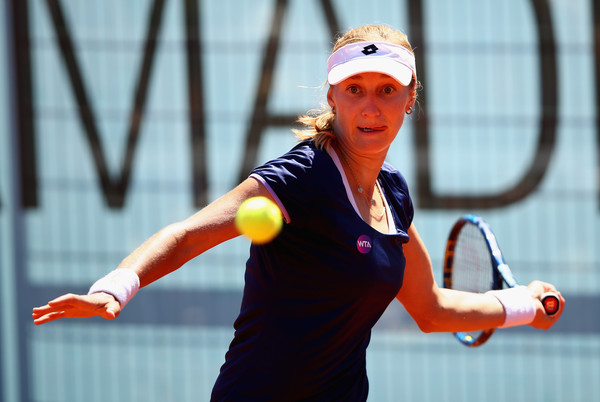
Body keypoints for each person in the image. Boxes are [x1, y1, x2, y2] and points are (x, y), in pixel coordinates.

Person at [32, 24, 564, 401]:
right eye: (354, 90)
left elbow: (431, 309)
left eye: (387, 90)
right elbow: (189, 234)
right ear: (333, 96)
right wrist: (117, 286)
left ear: (410, 99)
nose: (371, 106)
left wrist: (522, 304)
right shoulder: (301, 176)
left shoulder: (395, 195)